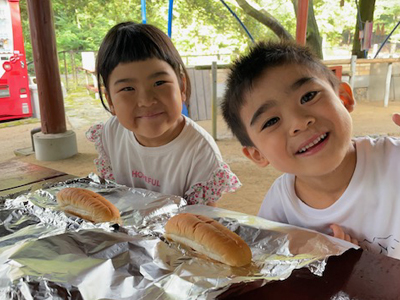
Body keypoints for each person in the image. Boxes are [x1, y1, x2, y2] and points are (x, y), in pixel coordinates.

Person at [221, 40, 400, 259]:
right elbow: (267, 263)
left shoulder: (395, 160)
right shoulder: (280, 207)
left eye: (308, 96)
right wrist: (329, 266)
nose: (299, 122)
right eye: (271, 121)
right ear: (257, 154)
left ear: (344, 98)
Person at [86, 22, 241, 206]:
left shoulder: (200, 152)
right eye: (128, 88)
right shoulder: (111, 133)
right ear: (110, 101)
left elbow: (200, 222)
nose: (146, 100)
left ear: (181, 86)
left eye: (159, 83)